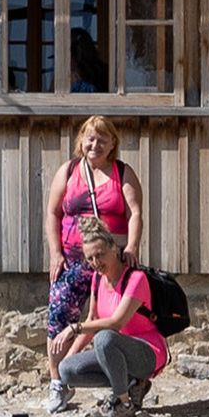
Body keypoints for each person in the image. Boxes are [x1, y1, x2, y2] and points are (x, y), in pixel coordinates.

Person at [41, 118, 140, 379]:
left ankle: (106, 373)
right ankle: (56, 380)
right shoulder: (69, 170)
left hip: (110, 260)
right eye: (90, 138)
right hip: (72, 261)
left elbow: (135, 213)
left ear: (112, 144)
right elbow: (52, 213)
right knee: (58, 315)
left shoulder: (123, 172)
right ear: (81, 141)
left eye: (102, 140)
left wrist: (131, 246)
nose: (95, 144)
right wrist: (55, 252)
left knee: (105, 317)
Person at [50, 219, 167, 415]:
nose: (96, 263)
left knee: (104, 338)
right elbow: (92, 321)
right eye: (90, 258)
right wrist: (68, 359)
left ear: (114, 248)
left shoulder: (135, 278)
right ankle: (133, 384)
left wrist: (73, 328)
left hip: (147, 352)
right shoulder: (97, 279)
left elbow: (116, 323)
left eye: (100, 255)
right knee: (67, 370)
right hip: (115, 351)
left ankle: (123, 403)